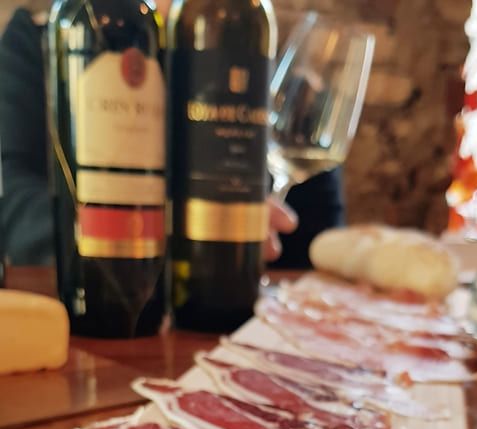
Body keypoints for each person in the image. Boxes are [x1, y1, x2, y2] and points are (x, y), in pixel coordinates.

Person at [0, 6, 344, 268]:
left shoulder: (254, 48)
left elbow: (319, 231)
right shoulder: (46, 31)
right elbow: (11, 193)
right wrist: (159, 232)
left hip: (240, 313)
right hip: (96, 298)